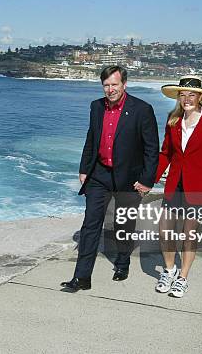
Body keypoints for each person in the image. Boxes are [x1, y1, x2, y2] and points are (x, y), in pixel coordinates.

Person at [61, 65, 159, 292]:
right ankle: (82, 277)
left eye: (114, 84)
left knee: (122, 224)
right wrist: (84, 168)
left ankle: (122, 262)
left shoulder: (142, 109)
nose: (110, 89)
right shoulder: (96, 107)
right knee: (90, 225)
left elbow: (152, 149)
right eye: (106, 85)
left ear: (124, 84)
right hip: (99, 174)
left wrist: (146, 180)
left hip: (130, 177)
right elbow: (91, 139)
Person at [154, 75, 202, 298]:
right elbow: (165, 153)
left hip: (198, 187)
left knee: (188, 234)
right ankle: (169, 270)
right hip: (175, 184)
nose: (186, 99)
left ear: (200, 96)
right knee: (164, 230)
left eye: (191, 94)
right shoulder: (173, 120)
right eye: (182, 95)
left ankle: (183, 278)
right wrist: (150, 179)